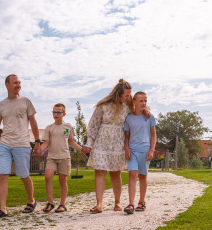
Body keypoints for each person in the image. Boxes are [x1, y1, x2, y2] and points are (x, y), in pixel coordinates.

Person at [0, 74, 41, 218]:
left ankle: (31, 200)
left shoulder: (26, 101)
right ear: (7, 85)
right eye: (15, 83)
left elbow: (33, 122)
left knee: (24, 175)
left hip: (22, 144)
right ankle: (3, 208)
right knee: (2, 175)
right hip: (5, 143)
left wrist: (38, 141)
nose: (18, 85)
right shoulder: (0, 105)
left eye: (19, 83)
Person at [82, 79, 134, 213]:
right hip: (101, 143)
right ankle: (99, 204)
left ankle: (117, 202)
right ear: (118, 94)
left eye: (130, 95)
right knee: (99, 171)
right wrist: (89, 143)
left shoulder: (129, 106)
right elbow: (93, 125)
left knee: (115, 173)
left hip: (118, 144)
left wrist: (146, 111)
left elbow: (139, 114)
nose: (128, 97)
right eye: (126, 95)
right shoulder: (103, 105)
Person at [39, 103, 83, 213]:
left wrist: (82, 149)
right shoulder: (49, 128)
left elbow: (71, 142)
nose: (56, 114)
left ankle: (62, 204)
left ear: (64, 114)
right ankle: (50, 203)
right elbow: (45, 143)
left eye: (58, 112)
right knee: (48, 176)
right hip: (52, 157)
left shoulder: (68, 127)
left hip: (64, 157)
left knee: (62, 180)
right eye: (54, 112)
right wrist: (39, 149)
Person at [123, 91, 156, 214]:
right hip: (132, 151)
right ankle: (131, 203)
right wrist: (126, 149)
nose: (143, 103)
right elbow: (126, 136)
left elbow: (153, 135)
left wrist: (152, 150)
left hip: (145, 150)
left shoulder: (149, 117)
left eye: (145, 101)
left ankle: (141, 202)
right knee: (132, 175)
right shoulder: (128, 118)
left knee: (142, 176)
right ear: (134, 102)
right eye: (141, 101)